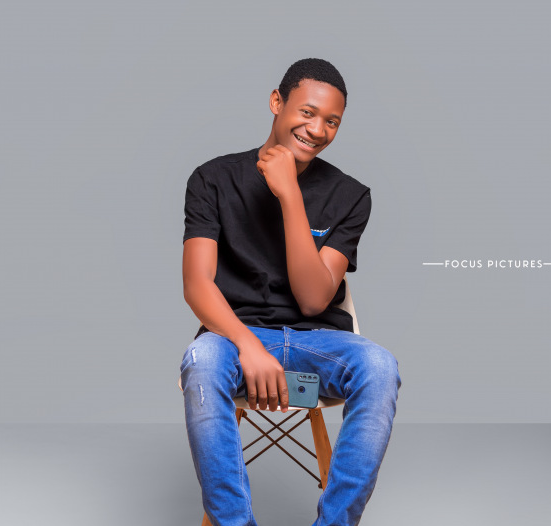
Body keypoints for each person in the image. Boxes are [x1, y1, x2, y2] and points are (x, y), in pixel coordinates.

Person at [180, 58, 402, 526]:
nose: (318, 130)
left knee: (380, 366)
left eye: (332, 122)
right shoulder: (212, 179)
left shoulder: (350, 195)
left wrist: (290, 195)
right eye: (307, 112)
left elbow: (314, 300)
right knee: (201, 360)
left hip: (318, 344)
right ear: (276, 102)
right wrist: (247, 346)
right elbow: (197, 284)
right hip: (236, 339)